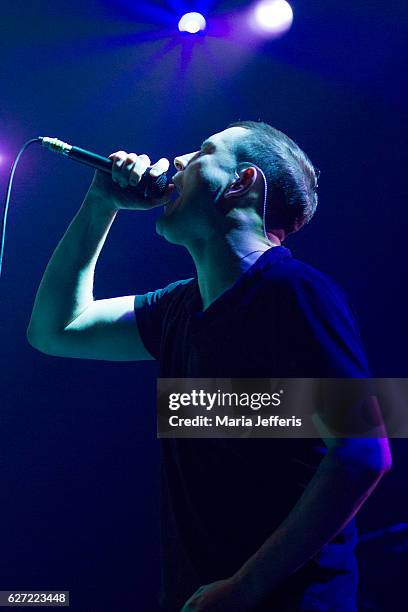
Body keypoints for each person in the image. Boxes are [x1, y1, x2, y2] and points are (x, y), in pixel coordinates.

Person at [27, 121, 391, 611]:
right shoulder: (178, 308)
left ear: (242, 181)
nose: (176, 162)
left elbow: (364, 452)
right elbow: (56, 330)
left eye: (201, 152)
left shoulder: (295, 291)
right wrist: (101, 205)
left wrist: (244, 587)